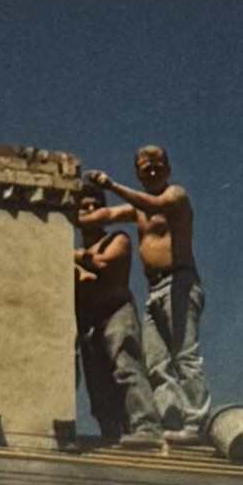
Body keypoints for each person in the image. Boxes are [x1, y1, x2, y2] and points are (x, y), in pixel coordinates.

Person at [83, 146, 210, 435]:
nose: (152, 172)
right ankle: (172, 419)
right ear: (138, 174)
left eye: (157, 166)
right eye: (145, 168)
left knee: (185, 356)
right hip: (154, 290)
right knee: (155, 362)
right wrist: (68, 208)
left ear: (168, 168)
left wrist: (110, 185)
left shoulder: (175, 196)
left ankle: (196, 422)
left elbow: (154, 205)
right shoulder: (136, 209)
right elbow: (107, 214)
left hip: (180, 283)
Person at [73, 180, 161, 442]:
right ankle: (112, 434)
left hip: (116, 313)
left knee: (126, 368)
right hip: (90, 322)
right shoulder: (74, 254)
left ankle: (147, 427)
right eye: (84, 206)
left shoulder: (118, 239)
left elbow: (102, 263)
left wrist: (74, 258)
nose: (90, 209)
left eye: (96, 205)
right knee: (98, 384)